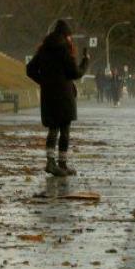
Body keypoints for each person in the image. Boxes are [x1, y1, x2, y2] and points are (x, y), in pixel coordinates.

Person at [26, 19, 89, 176]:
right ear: (66, 35)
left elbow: (30, 69)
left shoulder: (44, 49)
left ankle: (51, 162)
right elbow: (75, 73)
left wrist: (44, 82)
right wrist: (85, 61)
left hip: (49, 94)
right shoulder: (64, 50)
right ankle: (62, 163)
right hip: (64, 95)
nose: (70, 39)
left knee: (53, 128)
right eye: (70, 36)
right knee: (64, 130)